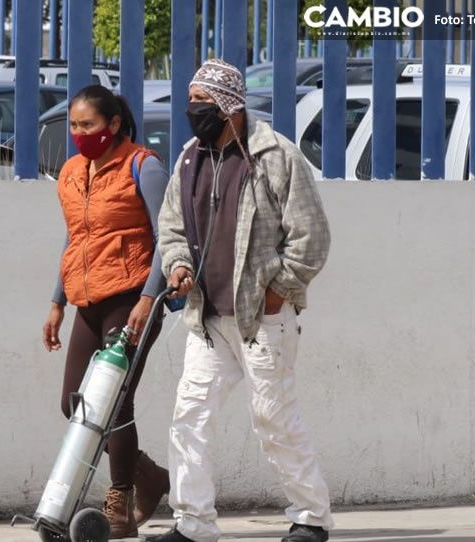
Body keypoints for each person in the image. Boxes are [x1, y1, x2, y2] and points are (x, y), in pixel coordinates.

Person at [149, 59, 334, 542]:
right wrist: (178, 266)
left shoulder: (276, 156)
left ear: (230, 106)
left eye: (203, 103)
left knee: (272, 417)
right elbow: (170, 227)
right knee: (190, 416)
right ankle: (193, 523)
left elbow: (311, 237)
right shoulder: (191, 157)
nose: (193, 112)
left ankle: (311, 518)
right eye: (191, 102)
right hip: (208, 321)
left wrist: (279, 291)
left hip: (262, 318)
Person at [42, 85, 171, 539]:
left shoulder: (144, 166)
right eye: (74, 126)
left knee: (114, 402)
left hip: (132, 296)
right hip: (88, 299)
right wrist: (58, 301)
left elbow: (167, 238)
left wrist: (148, 299)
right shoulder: (74, 170)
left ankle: (120, 501)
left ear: (113, 124)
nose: (79, 134)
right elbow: (75, 237)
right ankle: (150, 477)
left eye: (88, 125)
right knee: (74, 403)